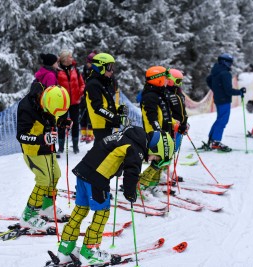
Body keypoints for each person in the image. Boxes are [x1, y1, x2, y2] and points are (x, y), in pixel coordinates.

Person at [55, 126, 174, 265]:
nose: (152, 159)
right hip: (97, 178)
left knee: (80, 211)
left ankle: (65, 249)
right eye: (156, 157)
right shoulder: (136, 150)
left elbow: (110, 151)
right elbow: (132, 173)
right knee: (102, 214)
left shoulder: (127, 136)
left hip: (83, 171)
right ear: (155, 148)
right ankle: (89, 252)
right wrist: (130, 192)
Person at [16, 85, 71, 229]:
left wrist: (62, 122)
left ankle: (47, 206)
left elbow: (53, 117)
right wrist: (42, 139)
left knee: (55, 175)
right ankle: (28, 216)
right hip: (33, 149)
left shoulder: (51, 98)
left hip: (47, 145)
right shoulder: (26, 108)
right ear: (45, 103)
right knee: (44, 179)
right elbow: (21, 136)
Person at [138, 66, 176, 194]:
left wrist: (175, 124)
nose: (166, 81)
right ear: (157, 79)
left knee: (163, 160)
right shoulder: (150, 96)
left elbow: (166, 115)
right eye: (164, 78)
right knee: (158, 160)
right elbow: (151, 116)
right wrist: (158, 130)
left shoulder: (160, 93)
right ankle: (141, 184)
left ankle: (152, 184)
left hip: (163, 132)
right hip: (154, 133)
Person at [205, 53, 245, 152]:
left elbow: (208, 79)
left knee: (219, 119)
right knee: (223, 121)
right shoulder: (225, 73)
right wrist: (240, 92)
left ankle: (212, 139)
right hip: (224, 100)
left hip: (219, 98)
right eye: (230, 63)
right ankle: (216, 142)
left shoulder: (216, 71)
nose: (231, 65)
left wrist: (216, 89)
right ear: (224, 62)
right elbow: (228, 90)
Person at [84, 52, 128, 142]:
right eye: (109, 67)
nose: (112, 71)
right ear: (100, 67)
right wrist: (116, 118)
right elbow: (98, 107)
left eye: (112, 67)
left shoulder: (103, 82)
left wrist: (119, 108)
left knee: (107, 151)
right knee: (103, 152)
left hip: (107, 123)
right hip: (101, 124)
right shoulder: (93, 84)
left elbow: (107, 103)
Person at [57, 50, 85, 155]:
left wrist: (80, 92)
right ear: (64, 59)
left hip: (75, 102)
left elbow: (82, 84)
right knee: (61, 124)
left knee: (75, 123)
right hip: (62, 103)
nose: (72, 59)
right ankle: (60, 147)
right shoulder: (57, 71)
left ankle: (75, 146)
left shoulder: (75, 70)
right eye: (70, 57)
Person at [80, 51, 97, 143]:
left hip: (91, 96)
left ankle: (90, 134)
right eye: (88, 62)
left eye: (90, 63)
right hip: (84, 96)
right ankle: (83, 134)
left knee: (90, 116)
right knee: (83, 115)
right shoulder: (85, 70)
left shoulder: (95, 71)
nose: (88, 65)